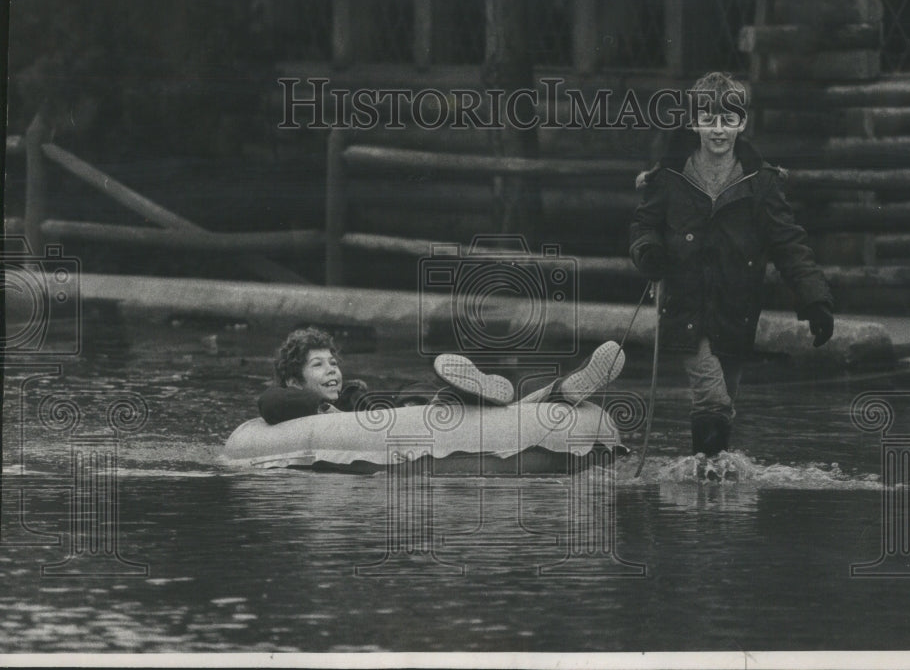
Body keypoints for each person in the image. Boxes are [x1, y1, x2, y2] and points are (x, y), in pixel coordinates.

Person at [629, 71, 834, 457]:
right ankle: (708, 487)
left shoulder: (761, 184)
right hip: (685, 307)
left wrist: (814, 300)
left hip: (737, 310)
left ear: (742, 122)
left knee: (724, 406)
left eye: (728, 120)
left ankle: (709, 486)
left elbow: (789, 243)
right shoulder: (670, 177)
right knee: (713, 402)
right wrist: (648, 250)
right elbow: (644, 224)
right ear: (694, 122)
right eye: (709, 120)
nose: (718, 130)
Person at [257, 326, 626, 425]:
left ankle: (564, 389)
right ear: (295, 380)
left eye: (333, 363)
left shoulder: (356, 394)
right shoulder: (290, 401)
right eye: (318, 365)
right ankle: (560, 393)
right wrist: (324, 412)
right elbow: (269, 400)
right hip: (389, 429)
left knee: (412, 393)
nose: (332, 371)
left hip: (408, 416)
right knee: (500, 416)